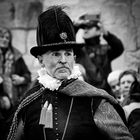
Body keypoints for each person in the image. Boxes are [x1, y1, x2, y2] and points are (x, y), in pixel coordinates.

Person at [7, 5, 134, 140]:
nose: (63, 60)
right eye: (56, 54)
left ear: (74, 58)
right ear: (40, 59)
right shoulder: (29, 101)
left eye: (68, 53)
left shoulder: (95, 100)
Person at [73, 14, 124, 92]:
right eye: (84, 28)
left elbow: (119, 48)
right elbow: (67, 43)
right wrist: (75, 26)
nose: (85, 30)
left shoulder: (105, 49)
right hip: (87, 92)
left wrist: (105, 32)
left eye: (89, 27)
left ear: (98, 30)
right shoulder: (79, 50)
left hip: (106, 92)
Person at [0, 27, 31, 106]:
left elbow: (27, 74)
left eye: (7, 38)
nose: (4, 39)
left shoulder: (16, 56)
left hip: (13, 97)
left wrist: (21, 79)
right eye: (2, 37)